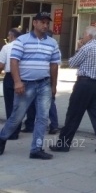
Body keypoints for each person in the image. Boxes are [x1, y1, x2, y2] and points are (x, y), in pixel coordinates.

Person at [0, 12, 61, 159]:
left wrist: (54, 86)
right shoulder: (22, 40)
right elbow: (14, 61)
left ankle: (36, 149)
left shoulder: (52, 43)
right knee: (17, 116)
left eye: (47, 23)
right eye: (42, 22)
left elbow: (54, 65)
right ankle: (2, 138)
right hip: (26, 85)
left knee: (42, 118)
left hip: (44, 84)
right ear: (34, 23)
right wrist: (17, 82)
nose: (45, 25)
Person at [50, 26, 96, 153]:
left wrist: (78, 48)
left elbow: (72, 63)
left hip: (84, 84)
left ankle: (63, 144)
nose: (82, 37)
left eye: (84, 34)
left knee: (74, 114)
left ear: (89, 36)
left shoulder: (86, 48)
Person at [0, 28, 22, 140]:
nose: (8, 38)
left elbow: (1, 65)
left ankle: (12, 132)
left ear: (12, 36)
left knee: (10, 105)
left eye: (9, 36)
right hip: (22, 77)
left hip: (10, 77)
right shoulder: (24, 46)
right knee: (19, 105)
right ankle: (17, 129)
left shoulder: (7, 47)